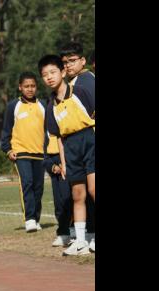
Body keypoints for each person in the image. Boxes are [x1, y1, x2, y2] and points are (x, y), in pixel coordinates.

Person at [39, 54, 95, 256]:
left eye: (53, 72)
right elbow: (59, 139)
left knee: (93, 190)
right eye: (45, 74)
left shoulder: (79, 92)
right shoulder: (50, 106)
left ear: (63, 72)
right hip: (70, 149)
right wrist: (64, 163)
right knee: (77, 195)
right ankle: (80, 242)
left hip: (89, 141)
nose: (49, 77)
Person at [0, 71, 47, 233]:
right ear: (20, 87)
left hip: (40, 154)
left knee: (38, 187)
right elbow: (6, 131)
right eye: (26, 86)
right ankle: (30, 219)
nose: (30, 89)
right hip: (21, 153)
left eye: (33, 86)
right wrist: (8, 149)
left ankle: (37, 218)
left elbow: (49, 131)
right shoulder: (13, 106)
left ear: (37, 87)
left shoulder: (44, 105)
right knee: (27, 183)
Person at [60, 42, 96, 250]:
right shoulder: (72, 83)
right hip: (78, 146)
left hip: (90, 141)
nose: (68, 65)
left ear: (83, 60)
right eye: (65, 62)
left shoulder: (86, 81)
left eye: (72, 60)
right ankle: (87, 235)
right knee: (82, 193)